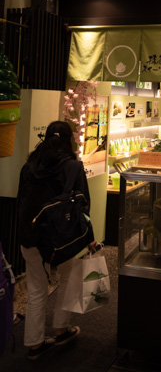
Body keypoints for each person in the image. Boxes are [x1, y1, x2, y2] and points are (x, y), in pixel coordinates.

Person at [16, 121, 97, 360]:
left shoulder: (28, 167)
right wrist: (89, 238)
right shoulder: (72, 167)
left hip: (30, 237)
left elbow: (21, 201)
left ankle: (34, 343)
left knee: (37, 289)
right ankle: (61, 329)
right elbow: (83, 205)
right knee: (67, 281)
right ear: (69, 141)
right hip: (63, 238)